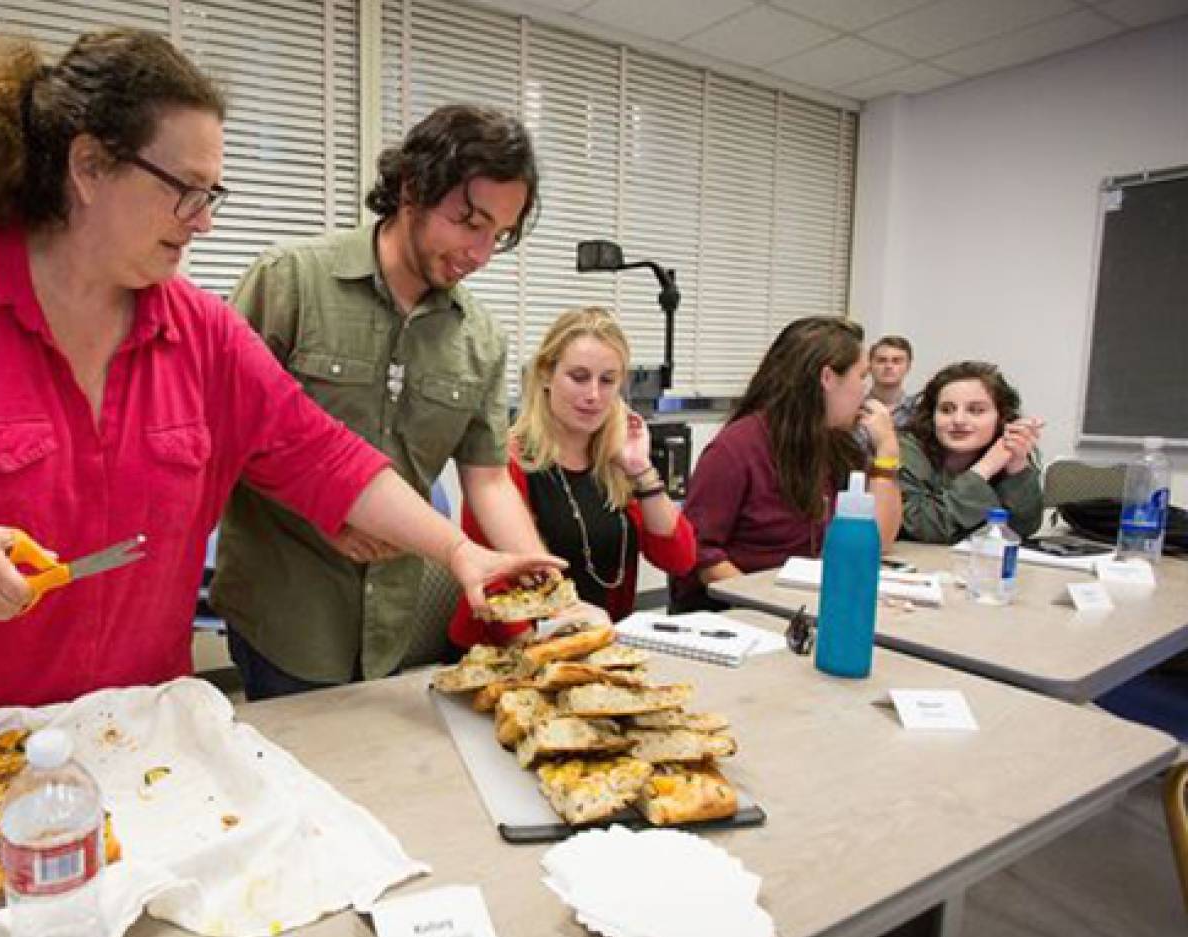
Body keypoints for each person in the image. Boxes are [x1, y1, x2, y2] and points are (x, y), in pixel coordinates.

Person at [0, 30, 558, 731]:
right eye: (185, 191)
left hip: (140, 738)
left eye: (213, 194)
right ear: (90, 165)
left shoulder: (199, 333)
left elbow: (326, 458)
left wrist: (459, 553)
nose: (203, 220)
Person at [210, 104, 549, 699]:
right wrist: (324, 505)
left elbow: (490, 482)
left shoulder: (481, 339)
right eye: (470, 221)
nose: (481, 253)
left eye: (499, 234)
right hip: (287, 609)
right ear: (413, 188)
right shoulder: (290, 281)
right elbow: (221, 435)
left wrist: (543, 585)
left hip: (393, 615)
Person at [447, 308, 696, 647]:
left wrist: (641, 470)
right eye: (579, 377)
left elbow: (679, 560)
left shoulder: (614, 463)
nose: (594, 394)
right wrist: (551, 655)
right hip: (510, 652)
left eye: (607, 381)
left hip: (598, 646)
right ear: (547, 375)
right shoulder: (502, 463)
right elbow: (495, 586)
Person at [672, 316, 903, 612]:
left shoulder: (836, 443)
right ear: (828, 378)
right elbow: (701, 553)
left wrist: (887, 453)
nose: (865, 391)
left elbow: (878, 542)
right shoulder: (736, 448)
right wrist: (775, 608)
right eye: (861, 376)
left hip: (808, 605)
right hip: (743, 613)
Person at [898, 361, 1044, 543]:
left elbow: (1022, 528)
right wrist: (985, 468)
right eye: (946, 410)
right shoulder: (907, 449)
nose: (958, 420)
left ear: (1001, 417)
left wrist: (1016, 467)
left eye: (976, 410)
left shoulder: (1005, 451)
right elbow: (922, 528)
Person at [867, 335, 918, 429]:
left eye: (896, 361)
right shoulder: (854, 409)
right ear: (869, 365)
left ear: (908, 366)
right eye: (881, 360)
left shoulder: (919, 412)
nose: (888, 366)